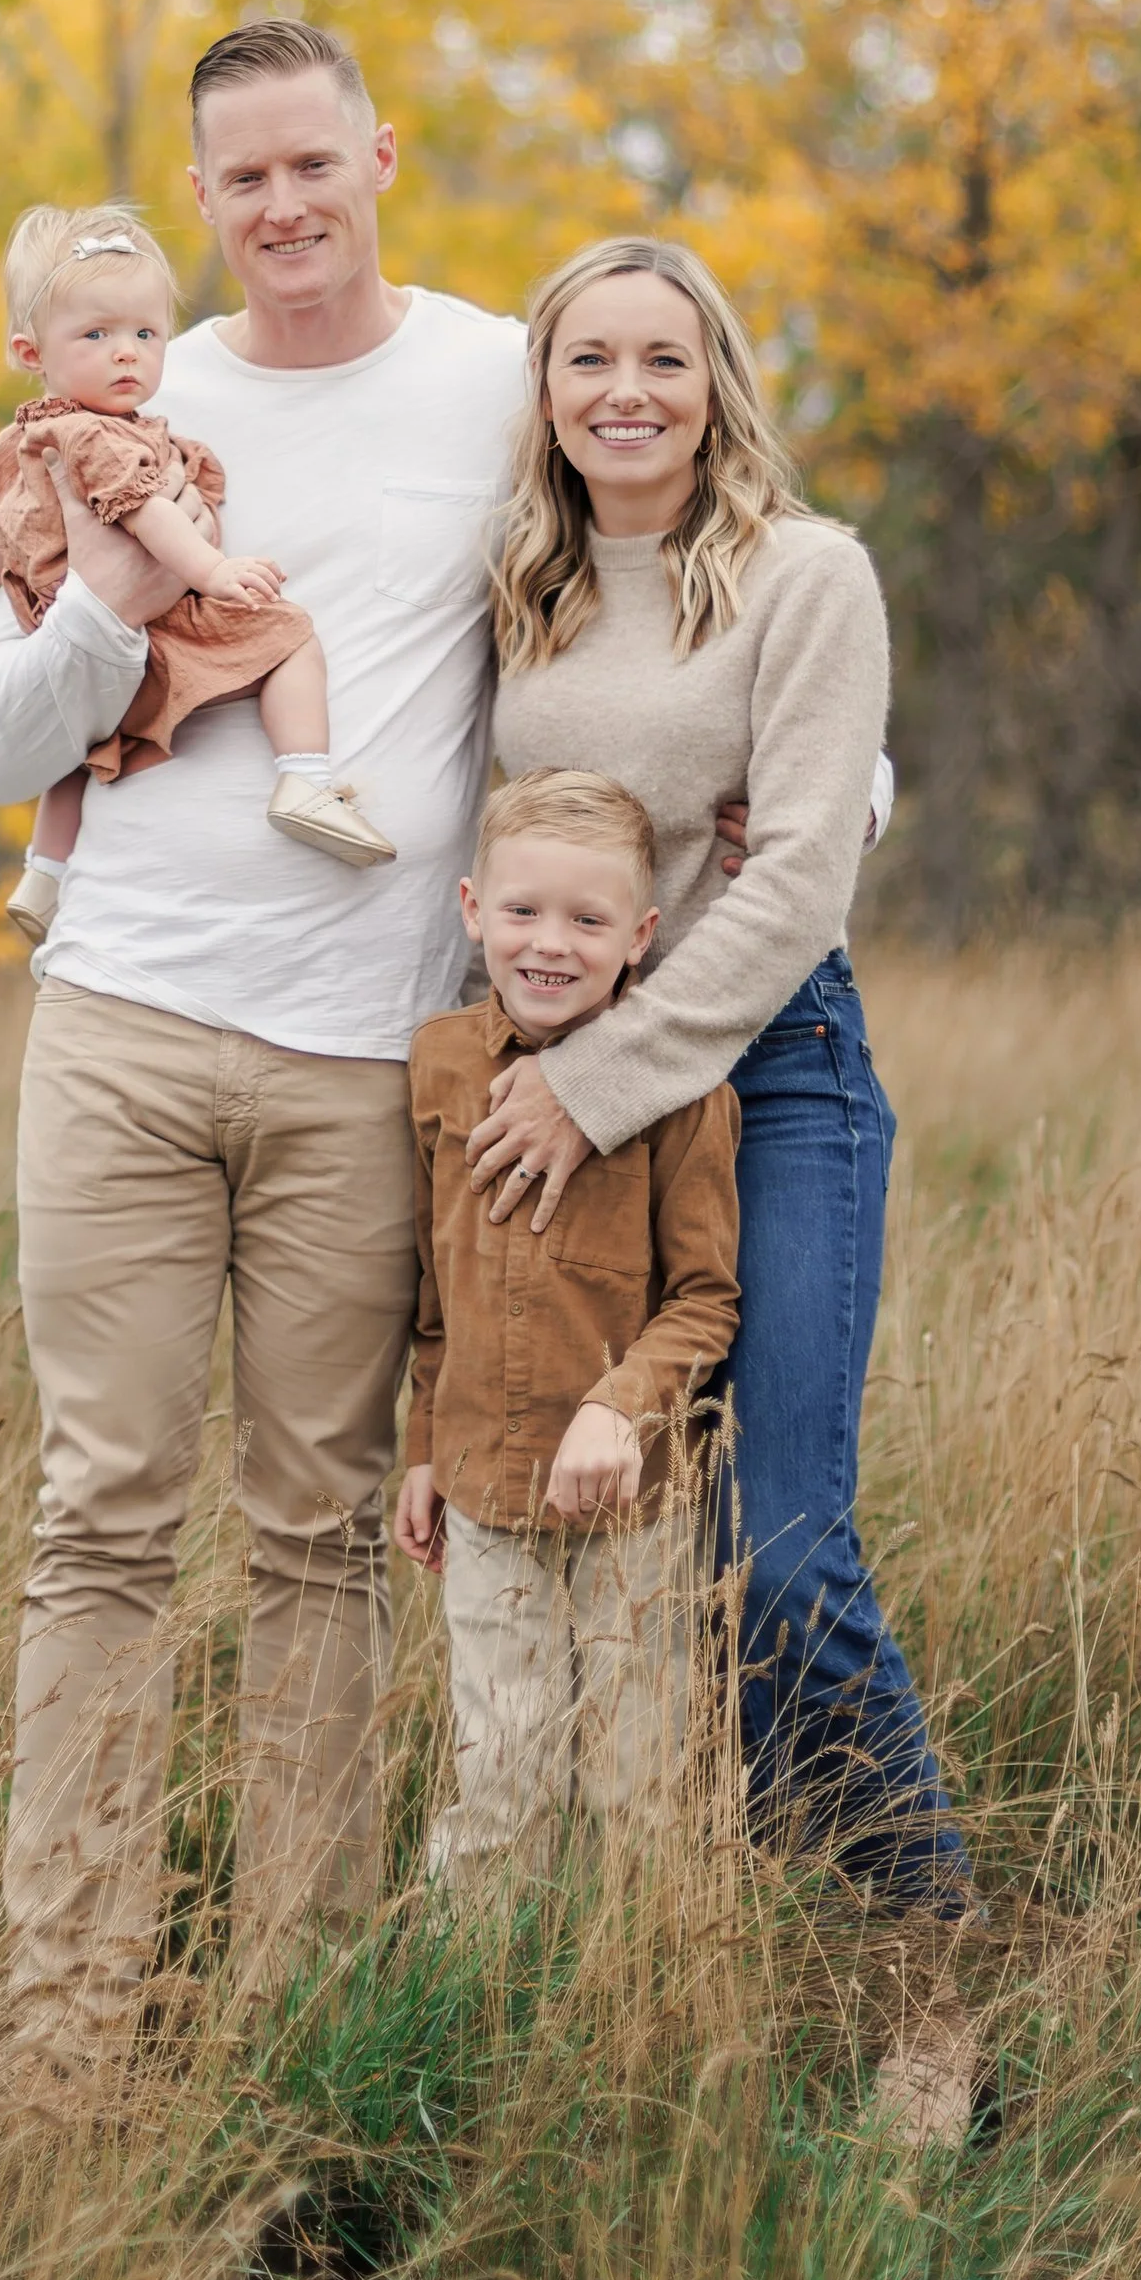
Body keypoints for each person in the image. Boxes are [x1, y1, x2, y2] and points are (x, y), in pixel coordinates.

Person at [0, 19, 528, 2081]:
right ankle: (66, 2034)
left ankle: (302, 2021)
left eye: (315, 165)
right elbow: (0, 747)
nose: (282, 208)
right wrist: (107, 603)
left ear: (378, 154)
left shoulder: (488, 376)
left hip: (358, 1067)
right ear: (197, 201)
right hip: (118, 1026)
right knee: (99, 1521)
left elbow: (659, 530)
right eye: (242, 181)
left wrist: (828, 766)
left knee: (315, 1539)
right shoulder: (121, 393)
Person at [471, 236, 980, 2142]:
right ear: (544, 390)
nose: (624, 392)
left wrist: (600, 1086)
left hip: (766, 1078)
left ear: (715, 380)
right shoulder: (515, 587)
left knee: (780, 1547)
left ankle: (935, 1992)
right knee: (641, 1577)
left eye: (660, 360)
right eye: (586, 358)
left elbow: (794, 885)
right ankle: (752, 1969)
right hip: (565, 1097)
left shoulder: (802, 573)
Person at [395, 769, 737, 1880]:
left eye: (588, 920)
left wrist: (618, 1406)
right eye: (522, 911)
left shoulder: (682, 1089)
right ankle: (475, 2019)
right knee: (503, 1775)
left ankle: (628, 2010)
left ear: (639, 936)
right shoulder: (440, 1064)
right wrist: (421, 1450)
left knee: (634, 1787)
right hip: (488, 1491)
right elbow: (433, 1290)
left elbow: (705, 1298)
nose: (551, 945)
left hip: (634, 1508)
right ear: (470, 912)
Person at [0, 200, 395, 942]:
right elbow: (147, 515)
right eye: (96, 334)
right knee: (288, 636)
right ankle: (306, 778)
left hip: (51, 618)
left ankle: (46, 871)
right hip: (139, 626)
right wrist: (215, 572)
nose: (127, 353)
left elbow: (3, 520)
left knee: (81, 747)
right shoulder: (99, 437)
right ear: (32, 353)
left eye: (145, 334)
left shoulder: (21, 436)